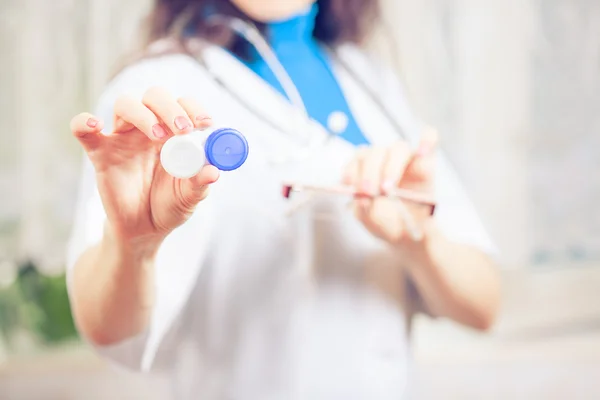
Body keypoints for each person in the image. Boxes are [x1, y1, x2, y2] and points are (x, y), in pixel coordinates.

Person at [67, 0, 501, 398]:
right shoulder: (155, 91)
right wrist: (133, 245)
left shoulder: (368, 78)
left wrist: (418, 240)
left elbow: (483, 306)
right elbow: (109, 330)